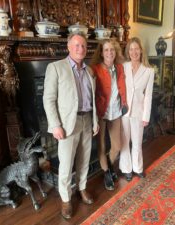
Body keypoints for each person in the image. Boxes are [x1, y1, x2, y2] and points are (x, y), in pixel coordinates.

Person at [43, 33, 98, 220]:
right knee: (66, 165)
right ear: (68, 46)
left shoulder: (89, 71)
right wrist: (55, 125)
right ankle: (66, 199)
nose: (80, 49)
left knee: (84, 160)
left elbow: (93, 100)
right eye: (76, 45)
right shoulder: (56, 68)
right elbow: (48, 99)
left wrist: (95, 121)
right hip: (67, 125)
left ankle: (82, 189)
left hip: (87, 120)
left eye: (83, 45)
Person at [90, 39, 127, 191]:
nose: (109, 52)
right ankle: (106, 173)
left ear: (115, 51)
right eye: (106, 50)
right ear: (101, 52)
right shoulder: (95, 69)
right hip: (101, 112)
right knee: (102, 145)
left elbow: (123, 87)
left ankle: (110, 166)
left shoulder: (119, 68)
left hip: (116, 111)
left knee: (117, 146)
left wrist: (125, 103)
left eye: (112, 49)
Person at [120, 37, 154, 181]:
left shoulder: (149, 70)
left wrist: (146, 116)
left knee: (137, 142)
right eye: (131, 49)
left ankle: (138, 168)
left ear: (141, 51)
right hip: (123, 111)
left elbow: (148, 95)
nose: (134, 52)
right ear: (128, 51)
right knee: (124, 141)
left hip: (139, 112)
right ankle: (127, 169)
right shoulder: (123, 67)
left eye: (136, 49)